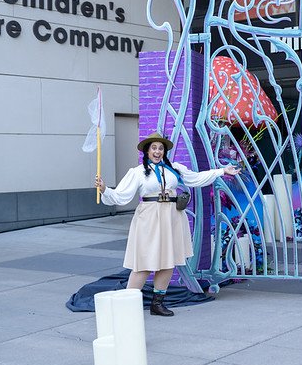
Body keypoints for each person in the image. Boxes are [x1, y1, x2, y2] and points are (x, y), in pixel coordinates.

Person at [95, 132, 240, 316]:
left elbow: (195, 178)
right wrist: (105, 189)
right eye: (154, 148)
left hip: (172, 217)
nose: (157, 152)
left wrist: (222, 171)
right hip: (149, 218)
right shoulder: (137, 172)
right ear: (147, 151)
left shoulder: (174, 168)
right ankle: (125, 306)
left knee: (168, 261)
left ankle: (157, 304)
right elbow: (121, 196)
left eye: (161, 148)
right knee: (143, 262)